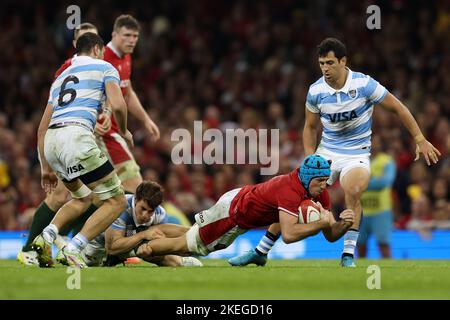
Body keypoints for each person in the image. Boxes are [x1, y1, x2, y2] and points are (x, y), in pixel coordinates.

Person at [228, 38, 441, 268]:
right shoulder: (316, 91)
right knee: (293, 193)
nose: (325, 69)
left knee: (353, 190)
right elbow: (309, 128)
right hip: (326, 152)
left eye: (330, 63)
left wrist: (420, 139)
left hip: (355, 154)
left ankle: (348, 255)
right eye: (321, 63)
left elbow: (398, 108)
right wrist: (311, 156)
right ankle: (261, 251)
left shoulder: (364, 85)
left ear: (343, 61)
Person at [32, 32, 132, 268]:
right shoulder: (105, 66)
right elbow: (118, 104)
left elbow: (40, 129)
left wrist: (45, 167)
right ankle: (74, 248)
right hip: (76, 138)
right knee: (117, 201)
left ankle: (45, 236)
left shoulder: (60, 77)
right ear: (98, 49)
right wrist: (125, 130)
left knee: (82, 198)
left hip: (53, 142)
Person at [134, 155, 356, 261]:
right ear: (309, 178)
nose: (325, 185)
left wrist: (342, 224)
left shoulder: (315, 188)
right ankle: (139, 248)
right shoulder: (290, 191)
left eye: (326, 181)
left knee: (193, 234)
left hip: (238, 197)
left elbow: (330, 235)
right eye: (320, 181)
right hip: (232, 216)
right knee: (187, 247)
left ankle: (148, 235)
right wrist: (321, 222)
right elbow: (288, 235)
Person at [17, 23, 112, 266]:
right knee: (63, 196)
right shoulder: (67, 70)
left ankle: (73, 246)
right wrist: (44, 166)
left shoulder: (95, 69)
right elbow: (44, 124)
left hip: (83, 138)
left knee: (90, 196)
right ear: (77, 45)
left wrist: (105, 115)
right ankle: (32, 247)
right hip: (71, 138)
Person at [73, 180, 202, 267]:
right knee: (148, 243)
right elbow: (112, 248)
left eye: (151, 211)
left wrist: (155, 249)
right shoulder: (121, 208)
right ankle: (182, 260)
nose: (146, 215)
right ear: (136, 200)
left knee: (153, 244)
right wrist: (143, 235)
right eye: (143, 209)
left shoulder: (160, 213)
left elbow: (162, 243)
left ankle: (199, 235)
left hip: (124, 248)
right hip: (93, 254)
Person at [98, 14, 160, 193]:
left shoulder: (125, 57)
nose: (132, 40)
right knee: (135, 185)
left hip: (113, 131)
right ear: (114, 35)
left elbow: (128, 93)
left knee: (102, 193)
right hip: (103, 132)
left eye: (135, 36)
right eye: (126, 35)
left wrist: (146, 120)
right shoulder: (102, 59)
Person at [357, 134, 396, 258]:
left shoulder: (387, 161)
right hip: (362, 210)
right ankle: (360, 273)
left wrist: (363, 184)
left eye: (376, 142)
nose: (373, 144)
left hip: (381, 210)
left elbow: (385, 182)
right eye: (371, 141)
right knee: (360, 244)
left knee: (383, 244)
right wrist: (373, 181)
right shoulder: (360, 160)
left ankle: (389, 274)